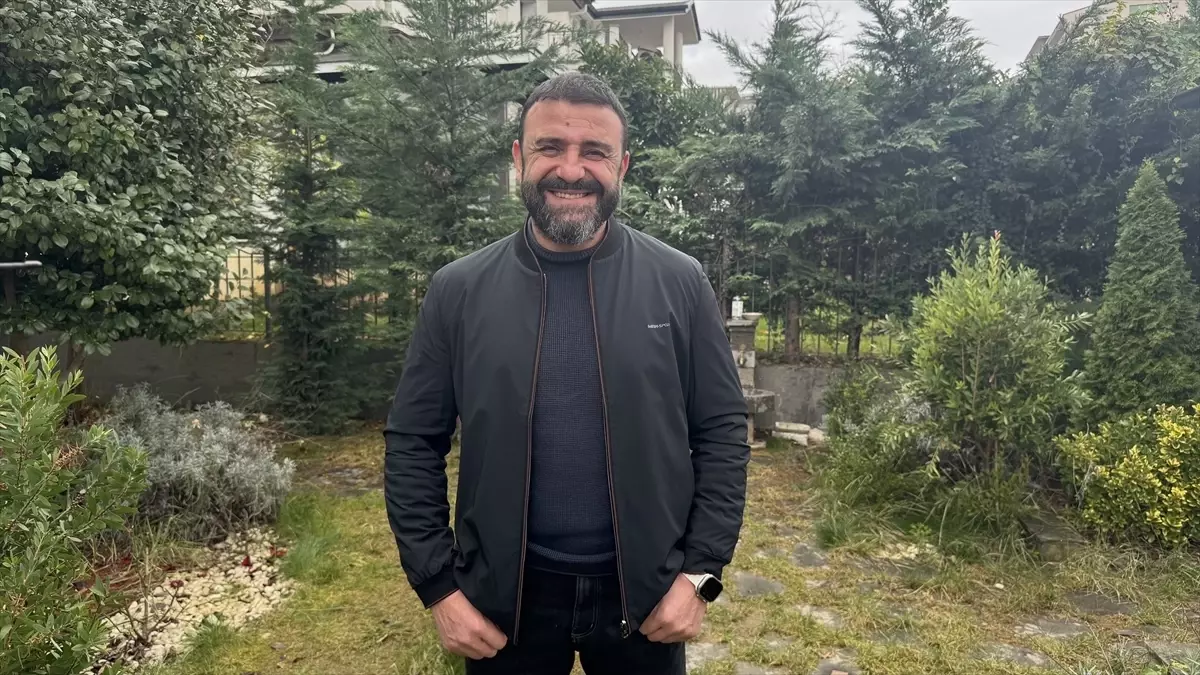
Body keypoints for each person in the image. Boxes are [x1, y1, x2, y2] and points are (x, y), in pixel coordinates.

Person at [383, 72, 750, 675]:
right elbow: (413, 442)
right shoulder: (459, 290)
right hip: (505, 604)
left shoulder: (679, 282)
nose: (572, 169)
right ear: (520, 158)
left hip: (648, 598)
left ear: (622, 166)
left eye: (595, 151)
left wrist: (701, 575)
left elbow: (722, 432)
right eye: (551, 147)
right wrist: (439, 589)